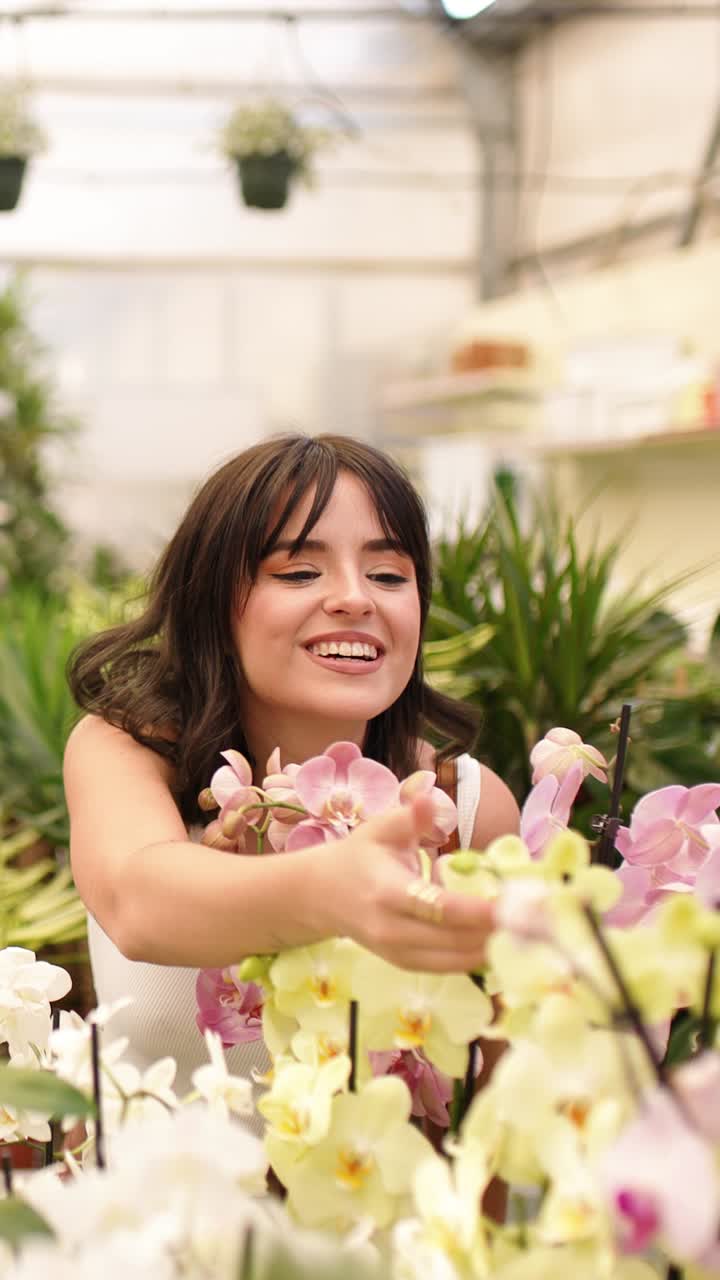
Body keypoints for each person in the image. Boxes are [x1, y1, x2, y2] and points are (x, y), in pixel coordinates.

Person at [64, 432, 519, 1115]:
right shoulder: (128, 753)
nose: (354, 599)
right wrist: (334, 892)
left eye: (389, 574)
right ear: (213, 603)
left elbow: (493, 1115)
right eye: (300, 572)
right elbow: (139, 901)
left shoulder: (466, 805)